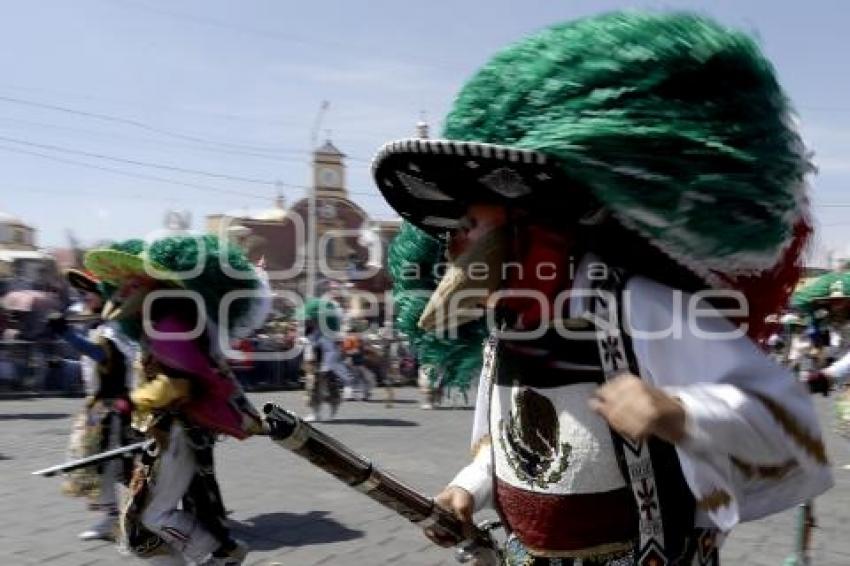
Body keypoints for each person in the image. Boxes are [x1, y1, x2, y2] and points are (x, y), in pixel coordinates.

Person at [376, 13, 833, 565]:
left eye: (470, 225)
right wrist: (466, 490)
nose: (454, 245)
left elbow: (787, 423)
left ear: (525, 220)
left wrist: (677, 411)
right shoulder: (504, 323)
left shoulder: (640, 303)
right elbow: (514, 445)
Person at [84, 235, 269, 565]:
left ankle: (217, 554)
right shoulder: (160, 322)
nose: (123, 291)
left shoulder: (169, 325)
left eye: (131, 283)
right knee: (147, 521)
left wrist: (133, 401)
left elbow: (179, 383)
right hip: (166, 433)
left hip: (177, 433)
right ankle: (213, 552)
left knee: (153, 518)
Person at [51, 268, 138, 542]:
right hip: (101, 408)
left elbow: (100, 354)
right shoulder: (102, 327)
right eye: (84, 294)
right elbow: (95, 366)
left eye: (90, 294)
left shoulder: (114, 329)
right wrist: (65, 363)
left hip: (116, 410)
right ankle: (116, 517)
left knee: (116, 465)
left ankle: (126, 517)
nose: (85, 299)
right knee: (106, 467)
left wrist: (66, 335)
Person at [298, 298, 348, 421]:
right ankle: (316, 412)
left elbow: (332, 351)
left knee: (331, 386)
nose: (309, 321)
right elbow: (310, 344)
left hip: (327, 364)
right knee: (312, 387)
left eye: (312, 319)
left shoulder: (330, 334)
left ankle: (333, 408)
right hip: (314, 363)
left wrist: (327, 367)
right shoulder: (312, 332)